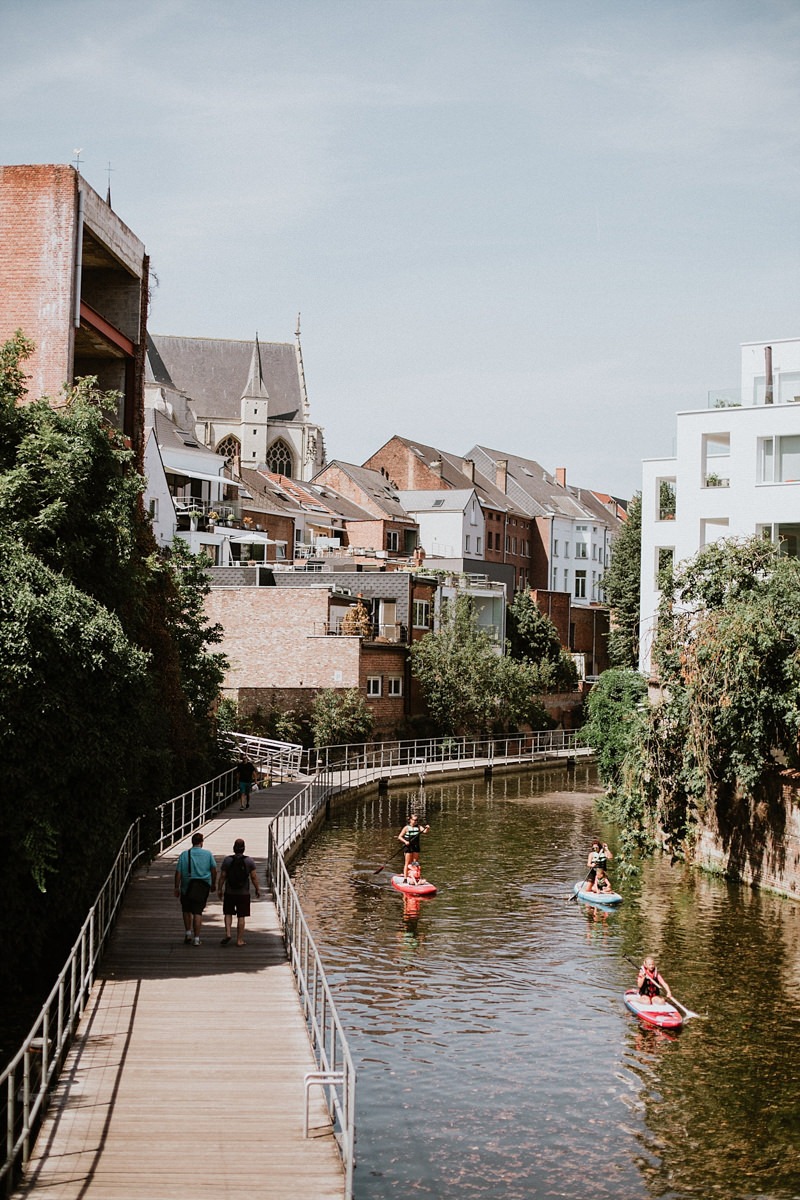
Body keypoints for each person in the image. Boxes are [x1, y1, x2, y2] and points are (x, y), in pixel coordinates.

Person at [175, 832, 217, 946]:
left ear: (192, 842)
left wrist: (176, 887)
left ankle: (188, 933)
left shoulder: (184, 855)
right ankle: (197, 939)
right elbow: (214, 870)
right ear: (201, 842)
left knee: (186, 910)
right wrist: (213, 884)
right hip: (202, 887)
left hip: (186, 887)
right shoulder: (208, 854)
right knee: (198, 912)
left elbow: (178, 872)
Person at [217, 837, 260, 946]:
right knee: (241, 916)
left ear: (234, 848)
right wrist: (257, 889)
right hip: (243, 893)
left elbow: (222, 876)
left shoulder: (227, 860)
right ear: (244, 848)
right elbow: (254, 877)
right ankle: (239, 940)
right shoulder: (249, 861)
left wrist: (219, 889)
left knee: (228, 913)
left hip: (229, 892)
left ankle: (228, 933)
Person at [398, 812, 430, 881]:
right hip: (408, 847)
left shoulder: (418, 827)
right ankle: (405, 878)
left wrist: (427, 828)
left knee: (415, 862)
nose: (415, 821)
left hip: (416, 846)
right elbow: (400, 837)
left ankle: (415, 876)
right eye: (414, 820)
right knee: (407, 862)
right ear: (410, 820)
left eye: (416, 820)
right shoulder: (406, 828)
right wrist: (405, 842)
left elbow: (425, 832)